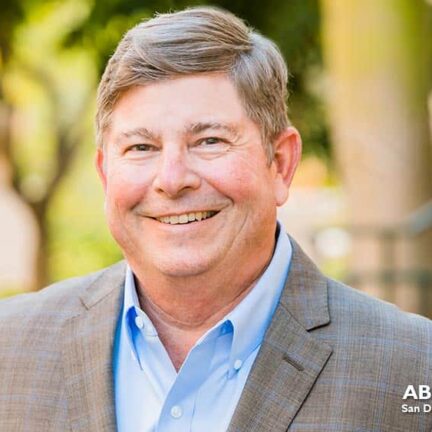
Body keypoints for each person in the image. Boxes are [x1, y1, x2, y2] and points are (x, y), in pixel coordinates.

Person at [0, 6, 431, 432]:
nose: (172, 180)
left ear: (280, 163)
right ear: (105, 173)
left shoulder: (414, 367)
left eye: (209, 140)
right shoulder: (11, 347)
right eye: (141, 148)